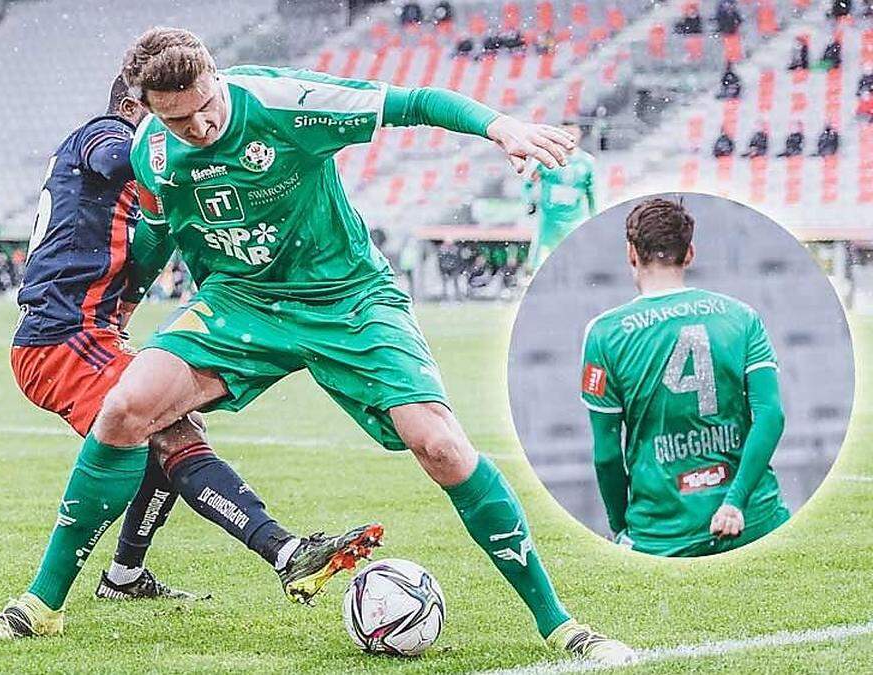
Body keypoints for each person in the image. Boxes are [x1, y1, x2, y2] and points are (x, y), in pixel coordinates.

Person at [110, 27, 635, 664]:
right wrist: (122, 305)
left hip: (348, 297)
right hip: (244, 303)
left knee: (439, 444)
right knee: (131, 408)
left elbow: (411, 102)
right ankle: (48, 602)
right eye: (176, 119)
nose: (194, 127)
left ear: (217, 77)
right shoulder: (153, 151)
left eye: (202, 108)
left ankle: (560, 625)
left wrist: (498, 126)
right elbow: (160, 234)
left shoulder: (281, 101)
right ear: (149, 109)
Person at [0, 77, 382, 644]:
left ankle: (126, 575)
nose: (181, 132)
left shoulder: (125, 155)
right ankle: (282, 550)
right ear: (135, 107)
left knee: (166, 425)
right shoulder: (103, 134)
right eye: (165, 116)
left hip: (86, 332)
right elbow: (124, 158)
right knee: (168, 431)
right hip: (60, 338)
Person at [581, 198, 790, 557]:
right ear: (689, 253)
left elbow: (606, 454)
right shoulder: (741, 316)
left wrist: (619, 526)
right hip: (756, 522)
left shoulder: (604, 333)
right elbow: (770, 415)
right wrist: (733, 502)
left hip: (662, 532)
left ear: (632, 253)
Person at [523, 121, 596, 270]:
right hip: (549, 220)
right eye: (565, 134)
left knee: (576, 261)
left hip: (574, 220)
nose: (569, 138)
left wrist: (594, 216)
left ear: (579, 135)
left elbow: (592, 192)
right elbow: (528, 183)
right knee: (540, 263)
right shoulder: (544, 159)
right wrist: (530, 202)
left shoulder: (587, 162)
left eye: (572, 134)